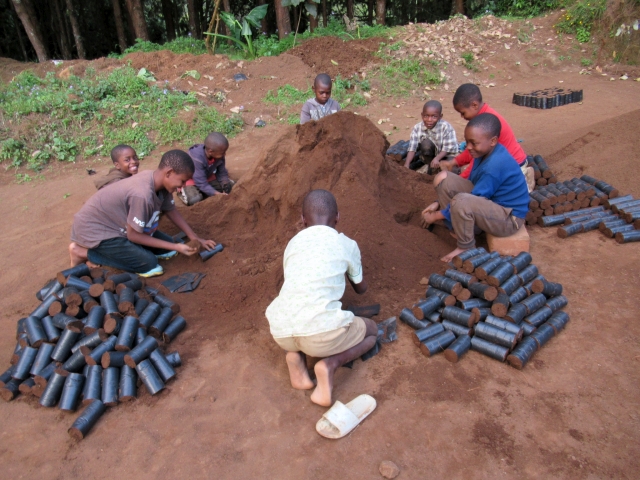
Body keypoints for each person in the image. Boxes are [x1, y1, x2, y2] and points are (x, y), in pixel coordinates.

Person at [265, 190, 378, 407]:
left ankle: (295, 357)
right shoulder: (346, 244)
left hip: (280, 331)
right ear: (338, 217)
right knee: (372, 332)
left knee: (300, 319)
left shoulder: (293, 243)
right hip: (321, 334)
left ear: (302, 219)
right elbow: (361, 289)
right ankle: (329, 365)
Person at [69, 150, 217, 277]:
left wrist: (195, 238)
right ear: (169, 173)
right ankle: (82, 252)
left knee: (167, 247)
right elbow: (133, 235)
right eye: (182, 181)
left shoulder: (158, 180)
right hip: (98, 231)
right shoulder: (142, 195)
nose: (183, 186)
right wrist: (178, 247)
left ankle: (129, 249)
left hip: (120, 223)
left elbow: (171, 210)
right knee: (149, 264)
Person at [421, 114, 529, 263]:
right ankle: (460, 228)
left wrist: (436, 215)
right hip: (490, 203)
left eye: (474, 143)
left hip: (508, 218)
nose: (469, 147)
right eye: (467, 142)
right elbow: (472, 184)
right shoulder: (484, 152)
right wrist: (437, 202)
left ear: (493, 141)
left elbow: (472, 198)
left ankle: (467, 247)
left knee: (461, 201)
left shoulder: (494, 165)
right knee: (443, 178)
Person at [438, 84, 532, 191]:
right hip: (503, 161)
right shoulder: (481, 121)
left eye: (463, 113)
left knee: (484, 190)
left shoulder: (485, 126)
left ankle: (525, 180)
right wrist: (453, 162)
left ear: (474, 105)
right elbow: (472, 149)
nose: (462, 117)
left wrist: (458, 182)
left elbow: (476, 163)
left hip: (514, 166)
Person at [403, 100, 458, 173]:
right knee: (426, 144)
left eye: (434, 117)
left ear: (440, 117)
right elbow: (412, 148)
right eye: (426, 116)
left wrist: (437, 159)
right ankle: (431, 166)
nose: (429, 120)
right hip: (432, 155)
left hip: (448, 155)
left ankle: (436, 167)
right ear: (422, 115)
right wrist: (407, 164)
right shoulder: (417, 128)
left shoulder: (446, 127)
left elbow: (447, 149)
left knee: (452, 170)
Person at [178, 132, 233, 206]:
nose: (224, 154)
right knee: (195, 199)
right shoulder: (197, 159)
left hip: (206, 176)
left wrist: (225, 184)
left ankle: (207, 191)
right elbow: (201, 183)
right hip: (191, 180)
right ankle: (182, 192)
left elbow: (222, 172)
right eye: (223, 152)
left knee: (231, 186)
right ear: (210, 151)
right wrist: (217, 194)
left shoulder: (218, 154)